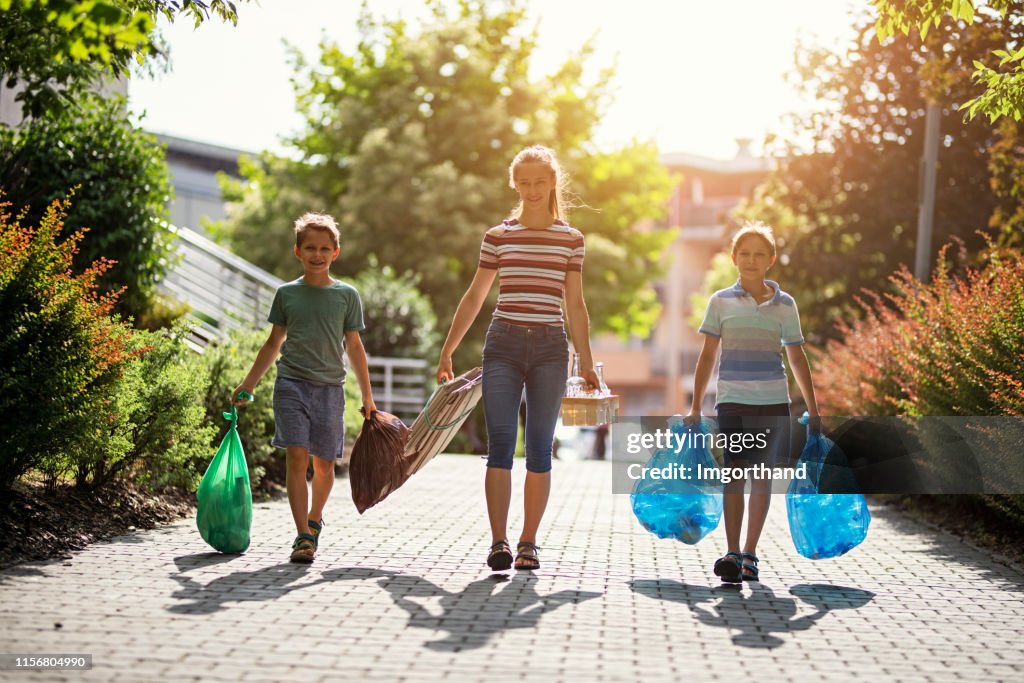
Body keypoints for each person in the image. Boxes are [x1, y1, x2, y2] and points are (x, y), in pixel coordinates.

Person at [436, 145, 599, 572]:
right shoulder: (498, 236)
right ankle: (499, 542)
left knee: (541, 448)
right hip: (503, 345)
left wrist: (585, 359)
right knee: (501, 446)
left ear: (552, 183)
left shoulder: (571, 239)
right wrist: (449, 347)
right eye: (523, 182)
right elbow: (475, 295)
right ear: (514, 184)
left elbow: (576, 306)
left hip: (550, 347)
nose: (531, 189)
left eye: (539, 181)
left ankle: (528, 542)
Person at [233, 212, 376, 563]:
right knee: (296, 457)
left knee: (324, 465)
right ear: (297, 251)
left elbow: (355, 347)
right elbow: (272, 344)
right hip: (291, 385)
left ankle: (315, 519)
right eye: (310, 247)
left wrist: (368, 396)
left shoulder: (347, 296)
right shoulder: (286, 294)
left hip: (330, 389)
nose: (317, 254)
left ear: (336, 252)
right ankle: (302, 536)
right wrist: (248, 383)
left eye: (324, 248)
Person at [685, 221, 819, 583]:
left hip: (773, 403)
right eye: (745, 253)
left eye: (760, 254)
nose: (751, 260)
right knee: (735, 475)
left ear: (771, 260)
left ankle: (750, 554)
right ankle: (731, 550)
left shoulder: (785, 305)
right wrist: (696, 405)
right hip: (732, 402)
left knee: (761, 478)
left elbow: (797, 358)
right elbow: (707, 357)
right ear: (733, 258)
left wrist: (813, 407)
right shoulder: (720, 302)